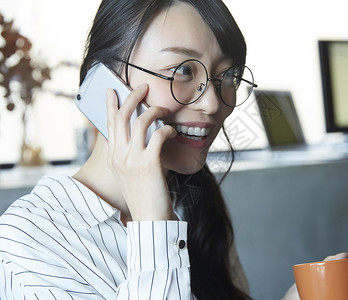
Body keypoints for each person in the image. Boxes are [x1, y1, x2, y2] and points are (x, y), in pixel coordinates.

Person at [0, 0, 255, 299]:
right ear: (103, 81)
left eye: (227, 75)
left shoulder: (193, 197)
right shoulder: (25, 243)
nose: (212, 103)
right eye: (184, 70)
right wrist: (153, 225)